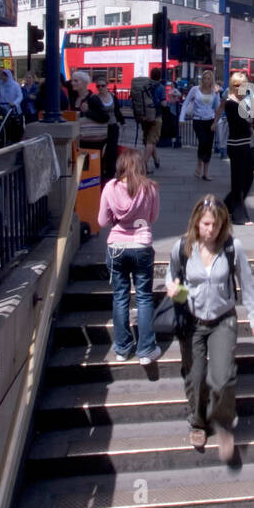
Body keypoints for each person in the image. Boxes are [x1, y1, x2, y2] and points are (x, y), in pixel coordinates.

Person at [165, 195, 254, 461]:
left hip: (223, 319)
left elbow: (246, 281)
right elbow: (171, 273)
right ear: (197, 222)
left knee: (222, 376)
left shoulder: (233, 247)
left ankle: (222, 423)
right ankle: (197, 422)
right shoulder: (182, 247)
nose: (210, 231)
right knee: (195, 376)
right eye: (206, 224)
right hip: (193, 321)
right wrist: (174, 289)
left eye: (216, 226)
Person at [98, 147, 161, 363]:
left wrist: (118, 220)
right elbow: (152, 217)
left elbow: (102, 222)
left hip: (116, 246)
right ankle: (146, 349)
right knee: (143, 296)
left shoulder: (110, 188)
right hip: (142, 245)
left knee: (120, 296)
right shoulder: (150, 188)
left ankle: (122, 348)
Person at [217, 69, 254, 225]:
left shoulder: (242, 101)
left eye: (244, 85)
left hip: (246, 144)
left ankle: (225, 206)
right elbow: (242, 123)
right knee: (238, 181)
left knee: (249, 177)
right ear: (233, 86)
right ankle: (239, 215)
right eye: (238, 85)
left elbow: (251, 119)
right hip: (236, 145)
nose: (242, 88)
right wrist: (248, 119)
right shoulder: (231, 102)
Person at [181, 70, 222, 181]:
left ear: (211, 80)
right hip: (198, 120)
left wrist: (215, 122)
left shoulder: (214, 92)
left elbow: (217, 108)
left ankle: (205, 172)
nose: (206, 80)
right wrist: (181, 119)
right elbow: (185, 104)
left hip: (210, 120)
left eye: (209, 79)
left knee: (208, 146)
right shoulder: (195, 90)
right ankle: (199, 162)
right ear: (202, 79)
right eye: (205, 78)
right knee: (203, 141)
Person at [94, 76, 125, 182]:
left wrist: (122, 121)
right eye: (98, 86)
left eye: (103, 85)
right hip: (100, 127)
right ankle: (100, 171)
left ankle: (110, 173)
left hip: (113, 126)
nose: (101, 88)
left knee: (112, 149)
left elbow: (117, 111)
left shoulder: (112, 97)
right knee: (100, 149)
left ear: (107, 86)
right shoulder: (95, 99)